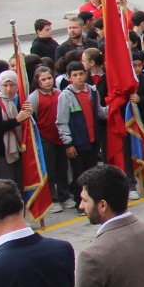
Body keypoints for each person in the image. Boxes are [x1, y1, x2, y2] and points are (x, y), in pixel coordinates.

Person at [57, 60, 107, 202]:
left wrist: (113, 107)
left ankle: (92, 199)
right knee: (79, 174)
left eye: (81, 74)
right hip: (77, 143)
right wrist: (68, 143)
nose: (79, 77)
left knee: (92, 173)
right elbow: (62, 122)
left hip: (92, 141)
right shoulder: (65, 96)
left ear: (86, 74)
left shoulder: (92, 91)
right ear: (69, 78)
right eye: (75, 75)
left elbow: (99, 111)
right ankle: (80, 201)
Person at [29, 65, 72, 211]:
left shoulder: (59, 94)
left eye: (49, 78)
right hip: (45, 139)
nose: (47, 81)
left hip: (59, 136)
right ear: (37, 81)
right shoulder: (34, 97)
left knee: (62, 168)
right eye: (43, 79)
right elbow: (32, 121)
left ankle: (64, 196)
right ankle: (52, 199)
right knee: (50, 171)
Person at [0, 69, 33, 187]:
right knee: (7, 184)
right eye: (5, 85)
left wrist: (31, 114)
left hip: (21, 147)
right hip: (3, 150)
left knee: (21, 182)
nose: (8, 89)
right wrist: (16, 120)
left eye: (12, 85)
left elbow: (30, 126)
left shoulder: (21, 100)